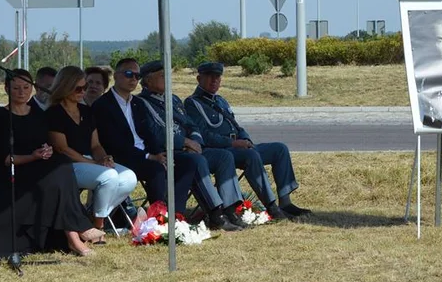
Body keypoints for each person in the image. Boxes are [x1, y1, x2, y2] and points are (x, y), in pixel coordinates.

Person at [0, 69, 101, 258]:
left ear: (32, 88)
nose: (21, 92)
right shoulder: (0, 117)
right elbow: (6, 158)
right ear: (6, 88)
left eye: (26, 87)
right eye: (16, 88)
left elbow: (46, 142)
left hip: (40, 167)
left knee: (61, 165)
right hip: (15, 172)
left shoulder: (39, 114)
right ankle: (76, 233)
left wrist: (46, 151)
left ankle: (73, 234)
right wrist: (33, 156)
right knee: (59, 172)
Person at [92, 58, 230, 226]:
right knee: (156, 169)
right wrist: (150, 156)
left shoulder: (136, 103)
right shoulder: (103, 105)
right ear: (116, 75)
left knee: (188, 162)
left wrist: (158, 153)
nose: (133, 79)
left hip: (148, 154)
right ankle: (160, 219)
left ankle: (176, 217)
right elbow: (113, 141)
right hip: (124, 157)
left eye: (137, 75)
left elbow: (149, 134)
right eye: (129, 74)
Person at [185, 62, 310, 221]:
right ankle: (272, 207)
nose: (214, 81)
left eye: (217, 77)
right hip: (223, 150)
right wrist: (233, 144)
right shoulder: (193, 103)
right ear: (198, 78)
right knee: (250, 155)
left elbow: (235, 125)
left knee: (280, 149)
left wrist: (245, 139)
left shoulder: (221, 101)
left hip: (241, 145)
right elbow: (203, 134)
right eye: (210, 77)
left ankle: (285, 202)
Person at [137, 60, 247, 230]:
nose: (167, 79)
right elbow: (153, 134)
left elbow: (191, 125)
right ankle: (215, 214)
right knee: (195, 162)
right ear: (148, 80)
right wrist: (184, 142)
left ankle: (230, 208)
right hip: (167, 153)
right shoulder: (141, 103)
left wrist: (195, 141)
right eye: (162, 76)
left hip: (191, 149)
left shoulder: (173, 99)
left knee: (224, 156)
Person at [45, 65, 138, 230]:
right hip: (66, 164)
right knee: (108, 176)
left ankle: (90, 217)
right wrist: (95, 164)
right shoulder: (54, 113)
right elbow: (63, 149)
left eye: (85, 87)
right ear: (66, 87)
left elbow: (95, 145)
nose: (83, 91)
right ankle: (98, 227)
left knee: (129, 177)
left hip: (89, 160)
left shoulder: (86, 111)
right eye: (79, 88)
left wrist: (103, 158)